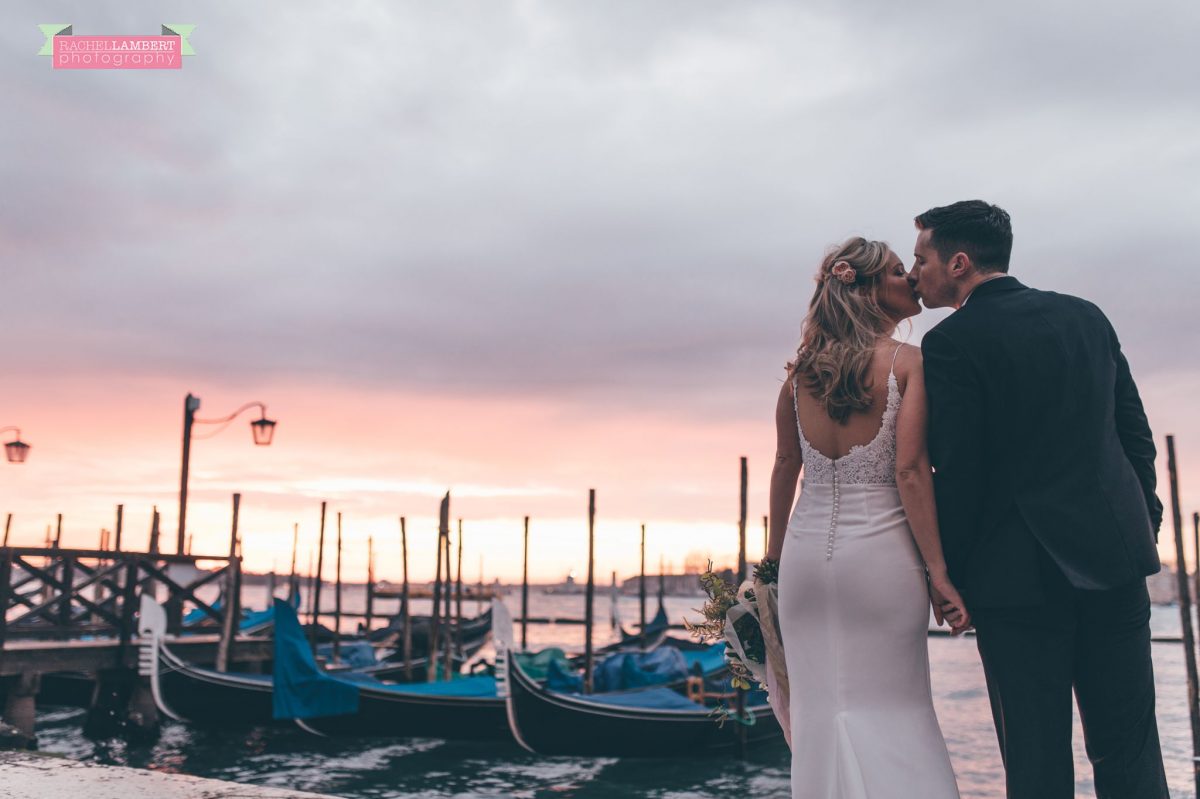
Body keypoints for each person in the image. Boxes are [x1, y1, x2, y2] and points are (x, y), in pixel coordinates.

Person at [908, 200, 1168, 798]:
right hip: (1116, 564)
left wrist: (954, 576)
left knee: (1036, 759)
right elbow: (1134, 434)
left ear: (960, 263)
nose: (915, 273)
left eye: (922, 259)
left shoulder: (951, 342)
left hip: (1015, 580)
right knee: (1130, 749)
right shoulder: (1087, 317)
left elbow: (960, 472)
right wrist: (1141, 526)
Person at [766, 236, 966, 799]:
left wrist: (771, 566)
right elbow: (910, 472)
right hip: (881, 560)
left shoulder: (800, 372)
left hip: (805, 560)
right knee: (897, 706)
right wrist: (939, 573)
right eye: (901, 273)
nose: (911, 281)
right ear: (873, 289)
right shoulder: (908, 362)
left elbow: (786, 467)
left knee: (819, 714)